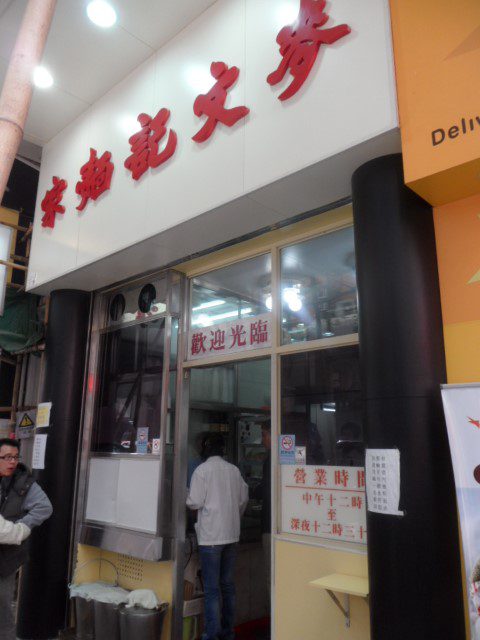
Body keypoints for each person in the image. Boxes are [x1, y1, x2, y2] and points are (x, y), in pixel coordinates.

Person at [187, 433, 248, 640]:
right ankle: (228, 632)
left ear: (205, 450)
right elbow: (243, 499)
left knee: (212, 589)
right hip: (231, 535)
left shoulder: (201, 471)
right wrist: (232, 518)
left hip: (211, 538)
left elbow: (194, 502)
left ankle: (212, 634)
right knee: (228, 586)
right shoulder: (234, 470)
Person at [0, 438, 53, 640]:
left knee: (3, 608)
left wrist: (23, 526)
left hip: (6, 557)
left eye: (15, 457)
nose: (11, 462)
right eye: (6, 457)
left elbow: (45, 507)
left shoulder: (25, 483)